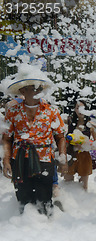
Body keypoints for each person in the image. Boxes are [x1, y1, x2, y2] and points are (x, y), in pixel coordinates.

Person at [2, 65, 67, 216]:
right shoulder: (12, 111)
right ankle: (26, 231)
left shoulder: (51, 111)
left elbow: (60, 136)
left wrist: (62, 157)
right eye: (33, 87)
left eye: (39, 88)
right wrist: (5, 160)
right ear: (22, 91)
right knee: (23, 198)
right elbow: (6, 138)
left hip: (44, 158)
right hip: (19, 159)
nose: (37, 90)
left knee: (44, 198)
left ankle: (47, 229)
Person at [64, 99, 96, 191]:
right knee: (67, 182)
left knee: (83, 186)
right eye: (77, 107)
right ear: (74, 109)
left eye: (82, 107)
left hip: (84, 155)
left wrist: (87, 143)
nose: (79, 110)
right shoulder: (70, 120)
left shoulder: (90, 124)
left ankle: (83, 203)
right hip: (71, 154)